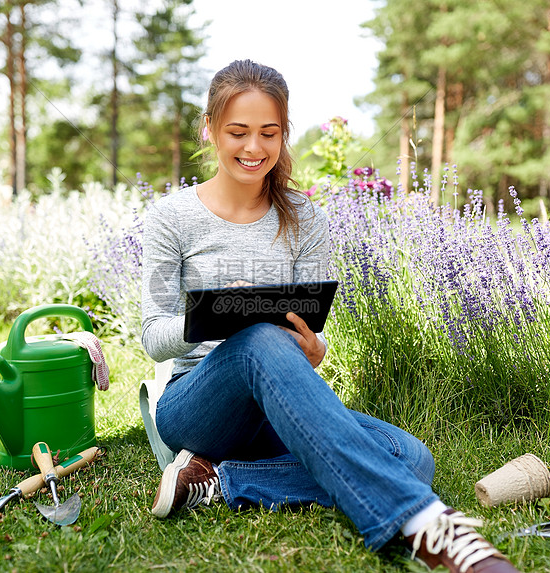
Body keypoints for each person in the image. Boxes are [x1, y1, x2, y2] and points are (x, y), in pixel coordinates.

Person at [140, 59, 519, 573]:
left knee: (411, 459)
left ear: (283, 135)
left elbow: (306, 336)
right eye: (238, 132)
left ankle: (220, 480)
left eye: (268, 133)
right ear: (209, 129)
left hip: (276, 407)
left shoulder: (306, 220)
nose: (254, 148)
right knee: (255, 340)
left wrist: (315, 351)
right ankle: (432, 531)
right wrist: (213, 316)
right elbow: (152, 337)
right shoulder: (172, 218)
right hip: (197, 404)